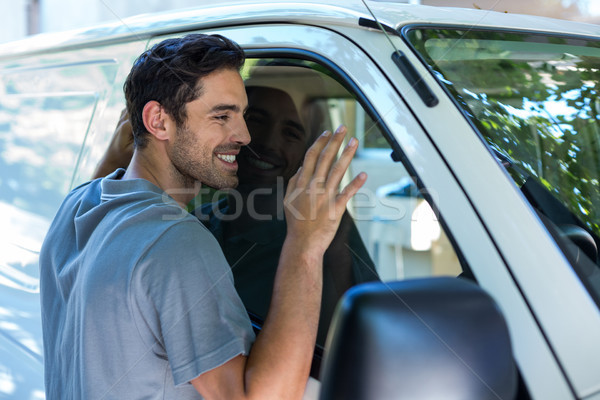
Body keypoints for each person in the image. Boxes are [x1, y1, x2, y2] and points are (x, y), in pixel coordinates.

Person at [40, 33, 366, 400]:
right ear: (158, 122)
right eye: (222, 116)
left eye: (241, 115)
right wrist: (305, 244)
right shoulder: (177, 242)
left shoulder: (77, 206)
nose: (244, 135)